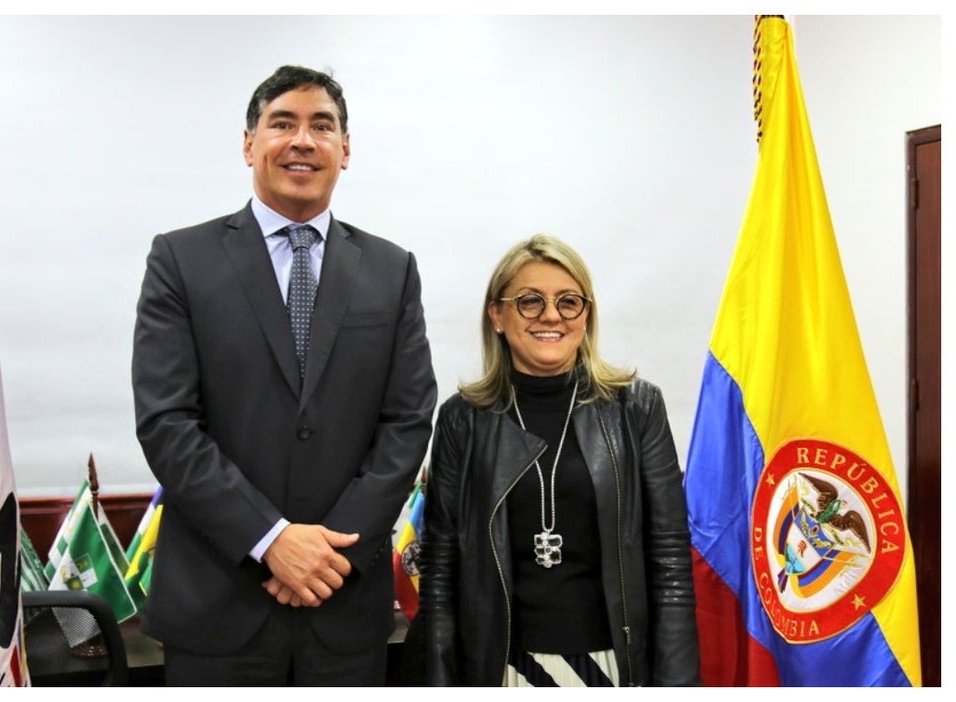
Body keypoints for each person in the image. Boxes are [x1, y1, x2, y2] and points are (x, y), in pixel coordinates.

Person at [131, 64, 437, 686]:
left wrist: (327, 553)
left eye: (321, 126)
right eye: (282, 124)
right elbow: (167, 422)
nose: (303, 140)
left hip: (343, 603)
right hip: (218, 608)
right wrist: (270, 539)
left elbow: (407, 422)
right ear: (250, 144)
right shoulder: (180, 259)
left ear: (345, 149)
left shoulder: (392, 269)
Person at [419, 234, 700, 687]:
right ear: (497, 315)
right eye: (530, 301)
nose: (551, 316)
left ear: (586, 316)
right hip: (501, 668)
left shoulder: (636, 408)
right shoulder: (462, 419)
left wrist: (678, 686)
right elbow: (440, 572)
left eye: (569, 302)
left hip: (613, 665)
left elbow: (670, 561)